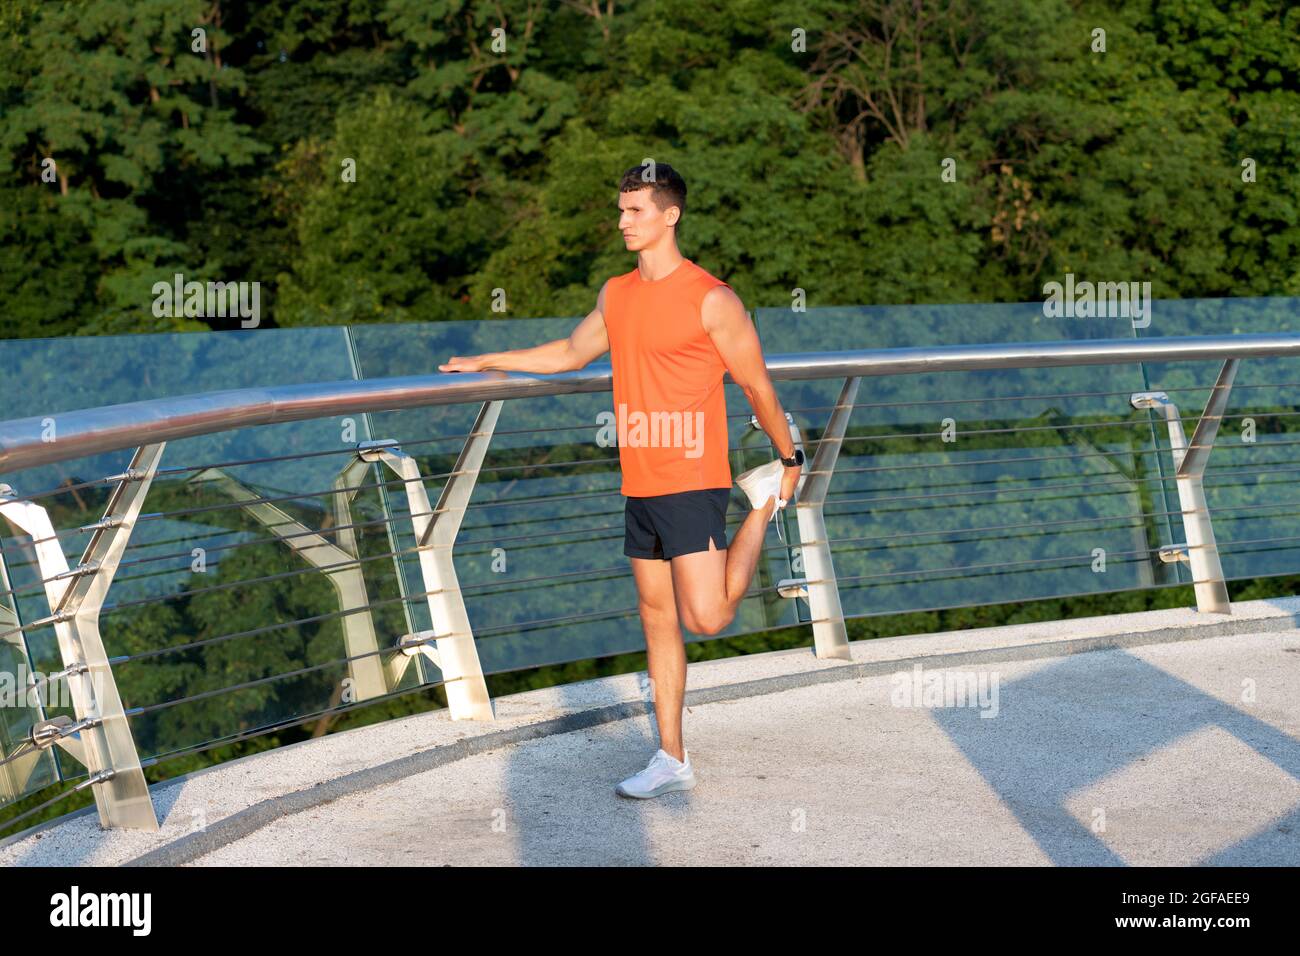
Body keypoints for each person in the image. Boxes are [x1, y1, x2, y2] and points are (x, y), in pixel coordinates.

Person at [439, 162, 804, 798]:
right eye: (621, 210)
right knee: (657, 619)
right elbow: (569, 353)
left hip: (692, 476)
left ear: (671, 215)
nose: (623, 222)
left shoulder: (711, 299)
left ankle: (762, 505)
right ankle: (670, 756)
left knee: (710, 615)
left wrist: (790, 458)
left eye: (635, 211)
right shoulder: (617, 293)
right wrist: (488, 360)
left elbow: (756, 383)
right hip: (639, 480)